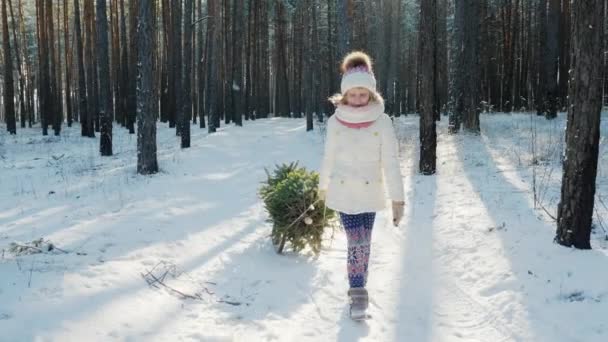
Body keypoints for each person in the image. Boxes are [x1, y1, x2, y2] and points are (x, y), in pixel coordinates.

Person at [318, 51, 405, 320]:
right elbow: (329, 156)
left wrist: (397, 199)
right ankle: (358, 294)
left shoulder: (383, 121)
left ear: (371, 94)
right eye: (353, 94)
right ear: (344, 95)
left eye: (363, 94)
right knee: (356, 241)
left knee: (363, 243)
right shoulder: (335, 122)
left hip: (371, 192)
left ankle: (359, 282)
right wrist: (322, 187)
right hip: (344, 192)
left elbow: (390, 162)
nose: (358, 100)